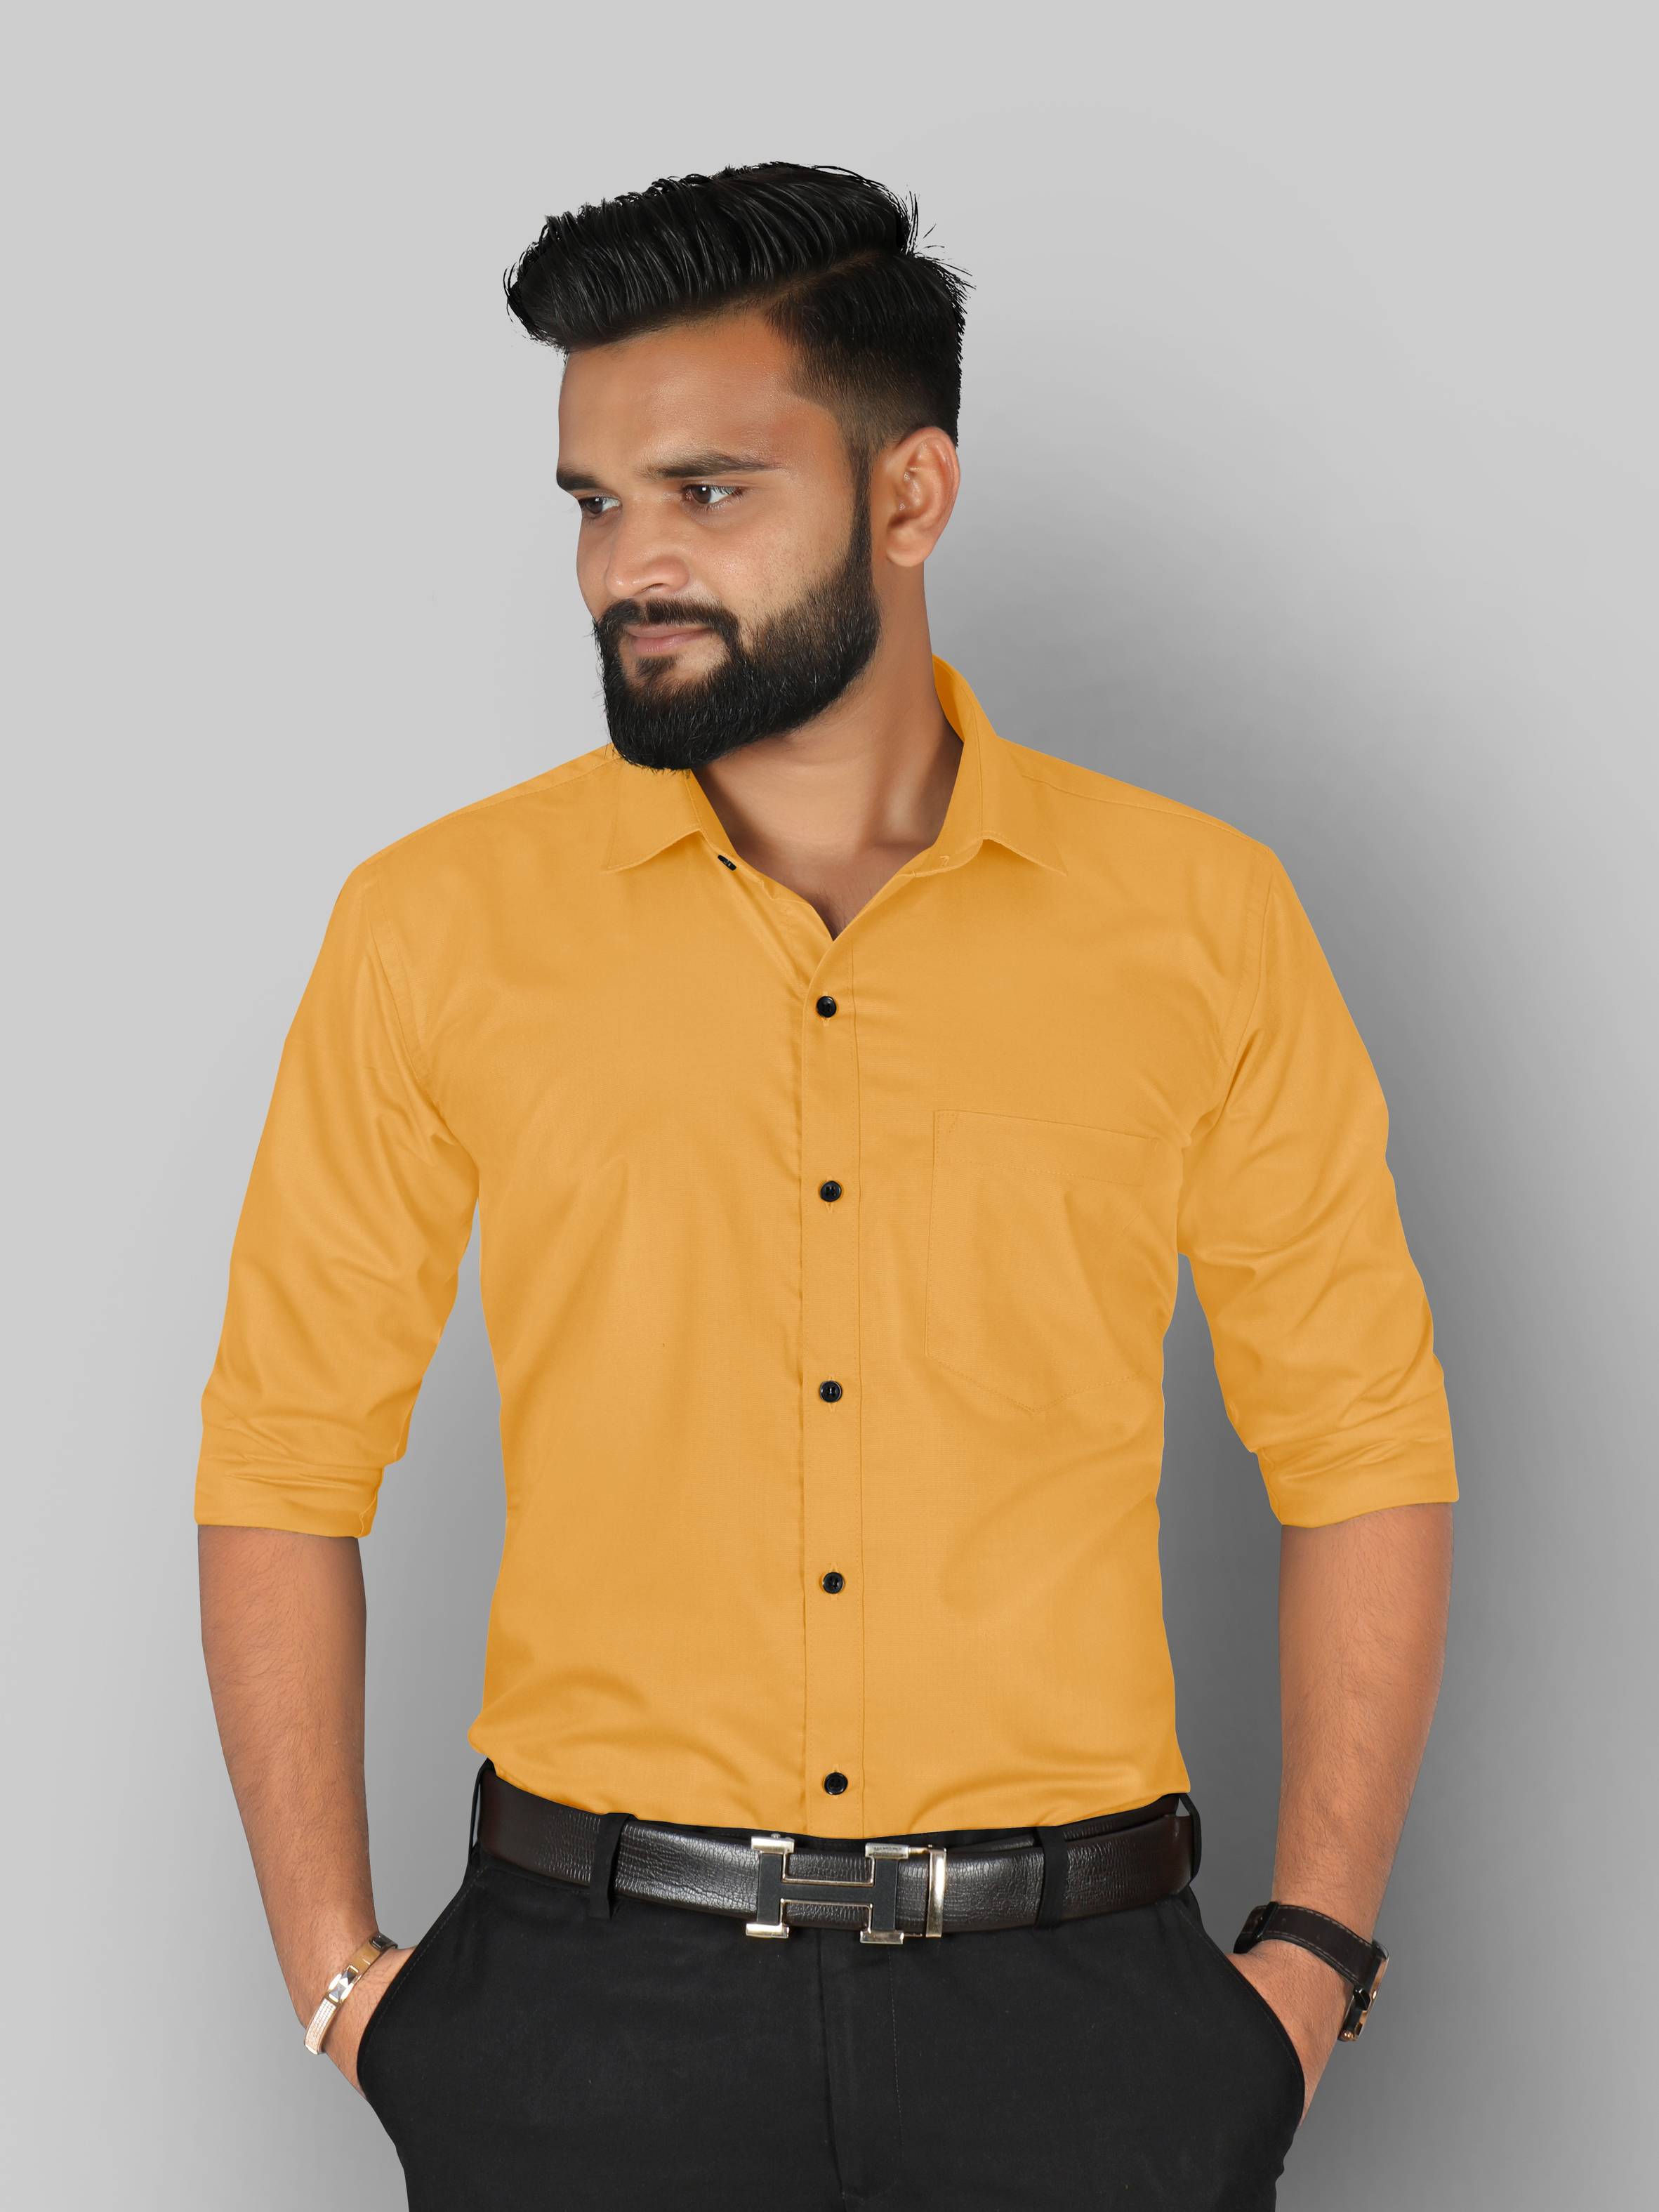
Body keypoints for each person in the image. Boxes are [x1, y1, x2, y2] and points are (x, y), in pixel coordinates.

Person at [196, 162, 1457, 2210]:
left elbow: (1361, 1444)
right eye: (595, 502)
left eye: (707, 491)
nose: (630, 565)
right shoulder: (435, 927)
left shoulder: (1200, 922)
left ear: (910, 494)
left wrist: (1306, 1966)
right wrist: (342, 1981)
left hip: (1085, 2032)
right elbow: (281, 1452)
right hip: (578, 2022)